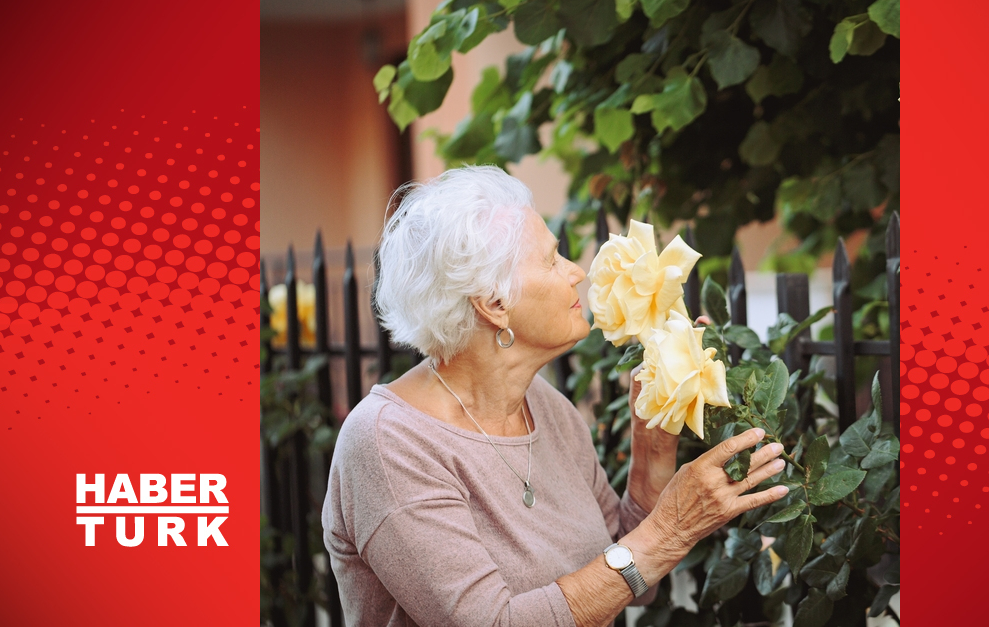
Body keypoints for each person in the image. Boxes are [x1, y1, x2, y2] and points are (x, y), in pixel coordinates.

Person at [322, 166, 790, 627]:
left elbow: (626, 573)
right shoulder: (390, 444)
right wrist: (672, 529)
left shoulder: (544, 406)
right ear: (494, 304)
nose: (577, 273)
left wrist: (654, 438)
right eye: (550, 260)